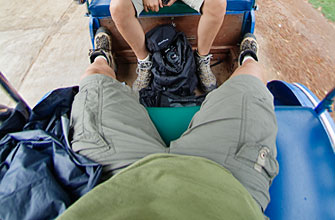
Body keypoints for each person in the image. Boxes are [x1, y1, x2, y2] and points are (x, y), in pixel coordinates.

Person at [60, 28, 279, 220]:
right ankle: (248, 58)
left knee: (94, 76)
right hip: (228, 186)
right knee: (251, 79)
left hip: (115, 180)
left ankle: (101, 58)